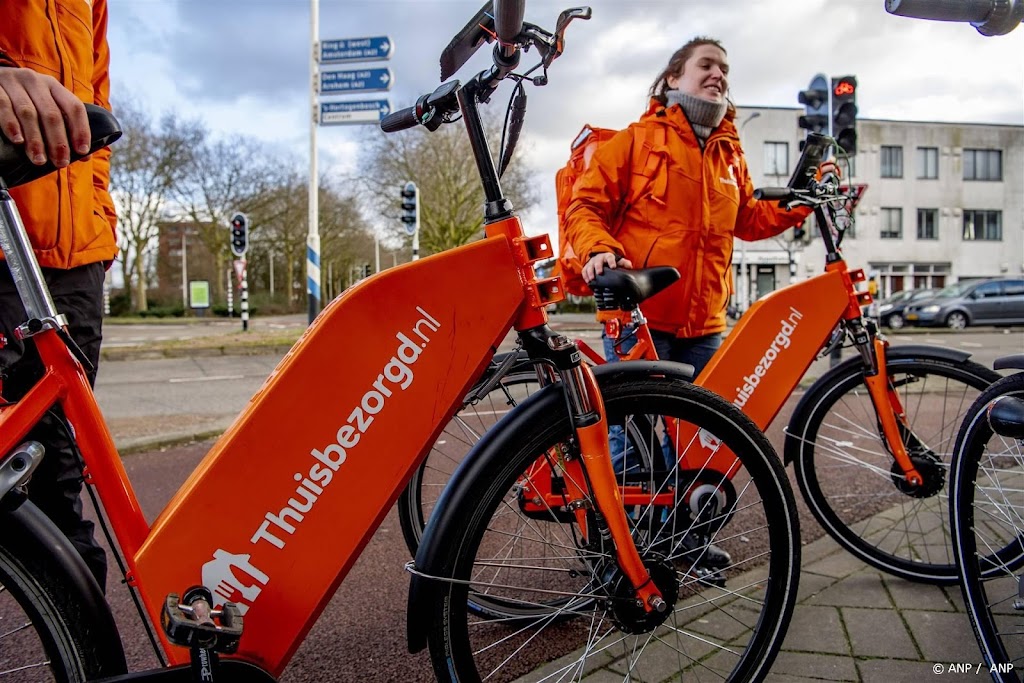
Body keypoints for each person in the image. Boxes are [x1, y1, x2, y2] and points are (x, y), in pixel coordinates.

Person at [565, 37, 828, 377]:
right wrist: (598, 248)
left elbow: (750, 220)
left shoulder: (730, 154)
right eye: (706, 65)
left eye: (724, 69)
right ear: (673, 78)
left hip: (706, 327)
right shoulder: (636, 140)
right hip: (638, 316)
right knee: (632, 429)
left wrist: (803, 196)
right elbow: (584, 205)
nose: (718, 74)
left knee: (700, 430)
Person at [0, 0, 117, 591]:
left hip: (77, 262)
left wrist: (101, 221)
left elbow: (96, 101)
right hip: (2, 249)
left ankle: (91, 658)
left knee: (57, 474)